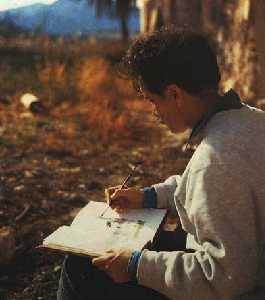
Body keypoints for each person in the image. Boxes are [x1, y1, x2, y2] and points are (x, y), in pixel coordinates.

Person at [57, 27, 265, 300]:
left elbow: (225, 277)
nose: (154, 113)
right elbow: (214, 190)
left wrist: (135, 266)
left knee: (81, 266)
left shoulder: (216, 160)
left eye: (153, 101)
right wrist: (149, 196)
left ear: (175, 95)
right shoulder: (250, 120)